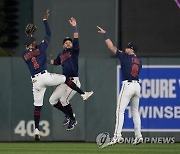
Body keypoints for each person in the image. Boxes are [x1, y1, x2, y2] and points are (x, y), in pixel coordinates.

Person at [22, 9, 93, 141]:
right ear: (33, 44)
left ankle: (37, 129)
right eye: (34, 41)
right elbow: (48, 34)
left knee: (38, 106)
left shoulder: (24, 55)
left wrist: (29, 37)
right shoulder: (41, 49)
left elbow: (33, 50)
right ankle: (83, 94)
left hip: (35, 82)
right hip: (45, 77)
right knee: (61, 86)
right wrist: (45, 20)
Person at [97, 26, 143, 145]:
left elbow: (111, 47)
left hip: (128, 85)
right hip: (137, 86)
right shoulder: (139, 60)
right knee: (135, 112)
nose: (126, 48)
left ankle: (117, 136)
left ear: (132, 50)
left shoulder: (125, 56)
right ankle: (138, 136)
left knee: (119, 111)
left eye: (128, 47)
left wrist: (105, 34)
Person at [49, 17, 86, 131]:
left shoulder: (74, 51)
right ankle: (69, 115)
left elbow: (76, 39)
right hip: (64, 81)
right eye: (66, 42)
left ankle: (72, 119)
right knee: (52, 101)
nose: (68, 43)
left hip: (73, 81)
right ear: (63, 45)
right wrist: (43, 59)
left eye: (69, 42)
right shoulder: (61, 54)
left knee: (64, 100)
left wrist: (74, 26)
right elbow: (55, 62)